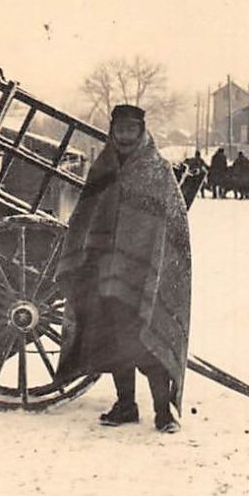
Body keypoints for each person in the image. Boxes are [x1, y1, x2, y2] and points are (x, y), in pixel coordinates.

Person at [59, 104, 192, 433]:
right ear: (112, 130)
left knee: (146, 339)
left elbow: (171, 223)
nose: (126, 135)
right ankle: (126, 405)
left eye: (132, 129)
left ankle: (163, 412)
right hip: (103, 270)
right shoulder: (103, 165)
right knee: (112, 340)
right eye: (120, 128)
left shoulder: (156, 169)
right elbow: (85, 215)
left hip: (142, 271)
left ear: (142, 131)